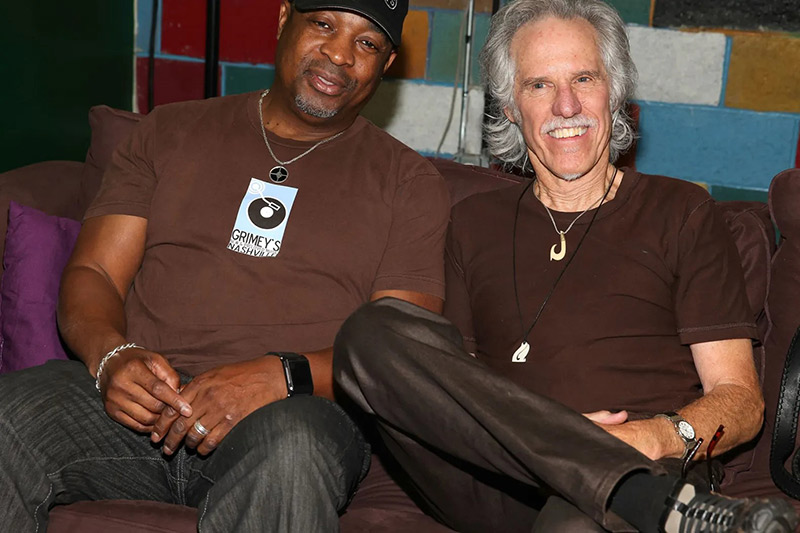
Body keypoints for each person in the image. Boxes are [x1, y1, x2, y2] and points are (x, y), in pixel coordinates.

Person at [332, 0, 799, 531]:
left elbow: (740, 402)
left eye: (584, 78)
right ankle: (597, 470)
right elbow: (451, 389)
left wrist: (648, 437)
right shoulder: (471, 223)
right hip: (495, 478)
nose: (566, 105)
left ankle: (637, 494)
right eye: (539, 85)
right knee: (370, 332)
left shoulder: (680, 211)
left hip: (640, 468)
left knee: (576, 524)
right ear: (511, 107)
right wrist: (568, 442)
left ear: (614, 92)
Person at [0, 0, 450, 531]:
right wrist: (111, 356)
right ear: (283, 20)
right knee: (9, 417)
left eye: (367, 43)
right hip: (141, 408)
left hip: (292, 416)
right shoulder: (169, 131)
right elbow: (94, 272)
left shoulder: (408, 184)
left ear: (387, 63)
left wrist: (283, 376)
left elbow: (400, 351)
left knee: (293, 451)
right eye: (323, 24)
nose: (339, 54)